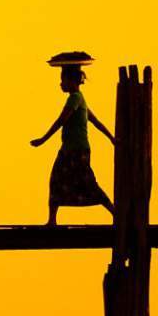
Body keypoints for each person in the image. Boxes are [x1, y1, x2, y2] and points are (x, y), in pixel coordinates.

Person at [28, 55, 116, 225]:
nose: (61, 83)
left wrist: (43, 139)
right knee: (57, 181)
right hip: (71, 149)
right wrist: (111, 138)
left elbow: (61, 120)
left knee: (86, 182)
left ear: (71, 80)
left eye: (63, 80)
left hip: (76, 150)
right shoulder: (80, 98)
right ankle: (52, 219)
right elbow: (95, 121)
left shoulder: (75, 98)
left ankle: (113, 211)